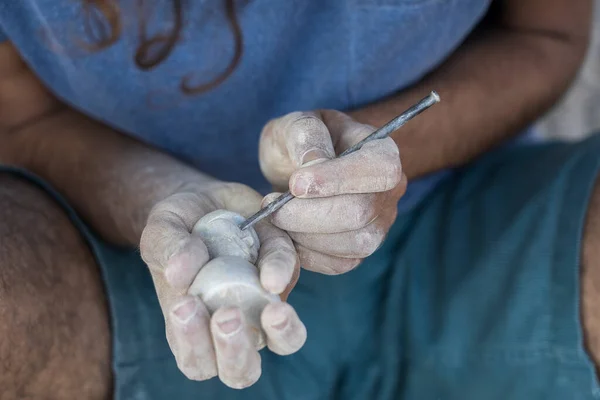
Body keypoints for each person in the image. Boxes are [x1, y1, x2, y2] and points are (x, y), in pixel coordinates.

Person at [0, 0, 598, 398]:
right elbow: (22, 118)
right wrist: (158, 197)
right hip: (114, 275)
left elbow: (546, 33)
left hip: (474, 224)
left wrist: (377, 149)